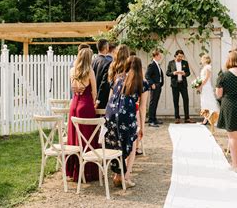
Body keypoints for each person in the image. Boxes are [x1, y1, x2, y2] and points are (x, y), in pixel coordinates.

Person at [105, 56, 149, 188]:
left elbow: (110, 98)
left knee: (117, 144)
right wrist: (142, 127)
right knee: (132, 145)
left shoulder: (118, 78)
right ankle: (126, 177)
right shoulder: (142, 82)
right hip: (126, 115)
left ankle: (117, 175)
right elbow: (142, 107)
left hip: (111, 114)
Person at [66, 48, 99, 182]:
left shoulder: (72, 70)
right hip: (85, 106)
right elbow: (94, 92)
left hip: (74, 105)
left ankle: (74, 170)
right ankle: (87, 172)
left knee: (74, 138)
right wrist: (95, 103)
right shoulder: (90, 71)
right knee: (87, 137)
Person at [166, 50, 194, 124]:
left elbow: (188, 73)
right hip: (175, 85)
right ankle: (177, 118)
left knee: (186, 100)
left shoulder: (185, 63)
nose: (180, 58)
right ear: (175, 55)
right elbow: (167, 73)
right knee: (176, 101)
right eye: (179, 56)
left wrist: (184, 73)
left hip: (183, 84)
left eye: (182, 56)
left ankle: (187, 118)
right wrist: (173, 73)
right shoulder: (170, 63)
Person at [198, 55, 220, 125]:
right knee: (205, 102)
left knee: (208, 101)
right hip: (204, 86)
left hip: (206, 87)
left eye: (202, 59)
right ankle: (206, 118)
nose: (201, 60)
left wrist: (201, 85)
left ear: (205, 60)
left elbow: (207, 78)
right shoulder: (205, 67)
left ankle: (210, 118)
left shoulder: (208, 67)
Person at [145, 49, 164, 127]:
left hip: (158, 86)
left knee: (155, 102)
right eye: (159, 55)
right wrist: (152, 83)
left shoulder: (157, 64)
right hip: (154, 86)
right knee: (153, 103)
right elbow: (147, 75)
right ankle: (151, 120)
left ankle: (154, 118)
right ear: (156, 55)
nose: (160, 56)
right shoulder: (152, 65)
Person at [92, 39, 112, 109]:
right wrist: (98, 100)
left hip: (91, 97)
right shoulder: (108, 63)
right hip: (102, 99)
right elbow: (104, 83)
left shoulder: (92, 61)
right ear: (106, 48)